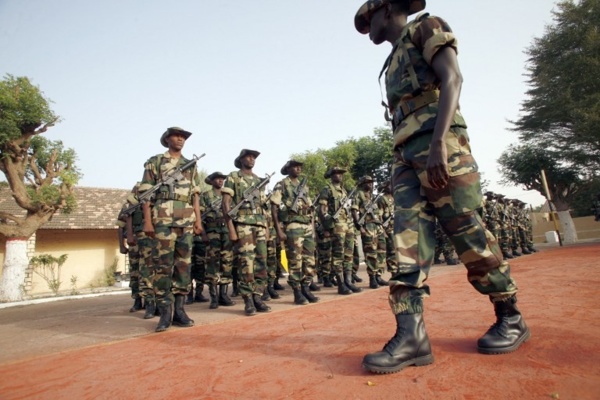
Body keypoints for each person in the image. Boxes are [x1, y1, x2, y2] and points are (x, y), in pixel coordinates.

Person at [354, 0, 530, 374]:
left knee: (466, 232)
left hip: (440, 145)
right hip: (404, 154)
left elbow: (452, 79)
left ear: (386, 10)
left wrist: (437, 143)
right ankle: (412, 336)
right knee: (408, 242)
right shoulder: (391, 58)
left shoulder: (425, 26)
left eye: (369, 18)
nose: (367, 27)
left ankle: (510, 315)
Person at [140, 127, 203, 332]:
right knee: (163, 267)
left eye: (183, 137)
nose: (180, 139)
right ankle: (165, 312)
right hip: (163, 220)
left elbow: (195, 194)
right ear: (167, 139)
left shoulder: (189, 165)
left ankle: (180, 311)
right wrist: (148, 221)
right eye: (177, 136)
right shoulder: (155, 161)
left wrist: (198, 220)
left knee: (183, 266)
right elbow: (146, 194)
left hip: (186, 220)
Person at [221, 149, 272, 316]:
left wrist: (267, 228)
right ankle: (248, 300)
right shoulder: (233, 177)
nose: (252, 159)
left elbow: (264, 207)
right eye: (248, 156)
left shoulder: (258, 180)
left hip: (259, 225)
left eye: (254, 157)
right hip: (243, 225)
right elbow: (226, 205)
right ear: (241, 159)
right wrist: (231, 229)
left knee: (261, 262)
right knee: (246, 264)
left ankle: (258, 296)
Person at [270, 160, 319, 305]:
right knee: (295, 260)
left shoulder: (304, 186)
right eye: (295, 166)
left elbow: (310, 208)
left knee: (309, 259)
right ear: (288, 168)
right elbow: (274, 207)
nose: (298, 168)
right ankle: (297, 291)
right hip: (293, 225)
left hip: (306, 225)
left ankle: (306, 287)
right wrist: (279, 230)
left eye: (300, 167)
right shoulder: (282, 184)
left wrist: (313, 229)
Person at [317, 167, 357, 296]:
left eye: (340, 174)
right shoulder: (327, 190)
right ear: (331, 176)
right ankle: (341, 284)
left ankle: (348, 282)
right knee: (338, 255)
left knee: (348, 254)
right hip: (337, 225)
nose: (339, 176)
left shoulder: (344, 191)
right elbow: (322, 211)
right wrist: (328, 227)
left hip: (348, 224)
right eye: (336, 174)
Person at [201, 171, 236, 309]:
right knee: (212, 264)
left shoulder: (228, 196)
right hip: (212, 232)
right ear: (211, 181)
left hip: (226, 232)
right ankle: (214, 297)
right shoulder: (206, 196)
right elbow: (200, 215)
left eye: (222, 179)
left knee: (227, 263)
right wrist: (203, 234)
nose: (220, 181)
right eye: (217, 179)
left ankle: (224, 295)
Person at [352, 175, 385, 290]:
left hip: (377, 226)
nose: (370, 184)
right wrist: (359, 226)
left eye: (371, 182)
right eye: (367, 182)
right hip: (367, 226)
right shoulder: (359, 194)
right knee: (370, 253)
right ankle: (372, 278)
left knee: (381, 251)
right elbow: (354, 210)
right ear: (362, 183)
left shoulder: (372, 196)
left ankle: (379, 275)